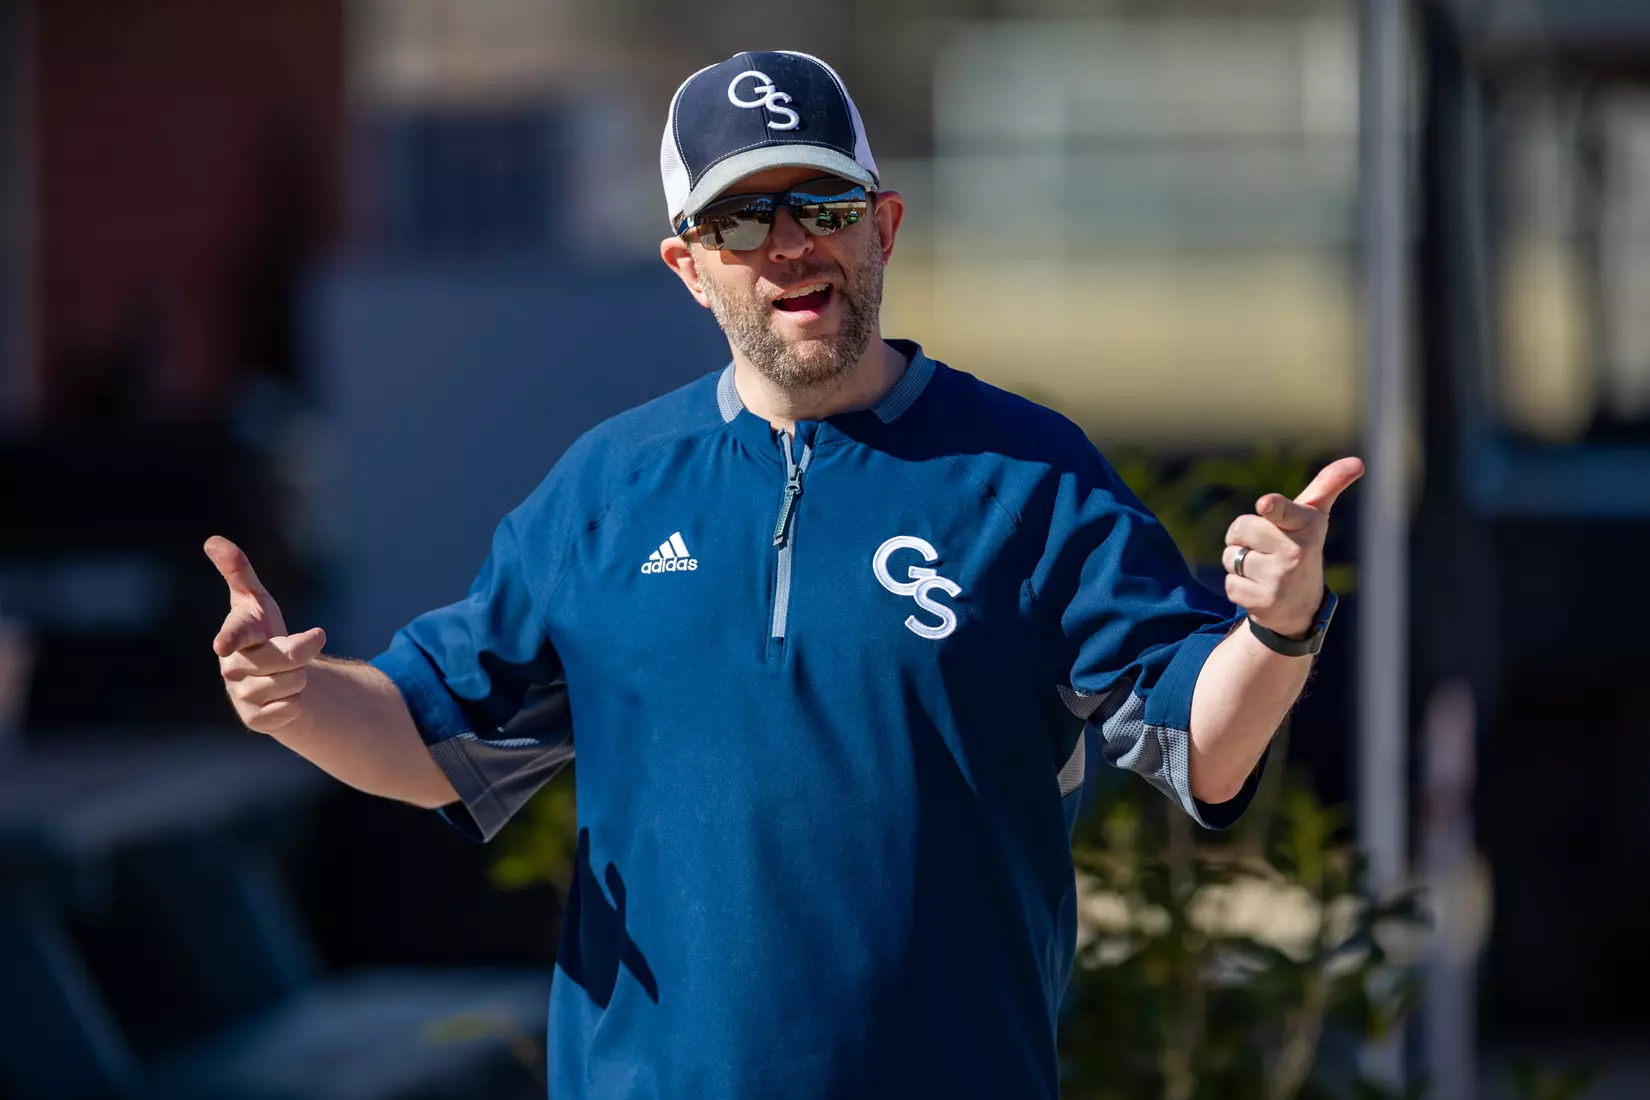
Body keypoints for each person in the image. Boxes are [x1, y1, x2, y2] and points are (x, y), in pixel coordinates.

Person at [205, 50, 1360, 1100]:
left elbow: (1197, 740)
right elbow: (426, 741)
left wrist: (1280, 628)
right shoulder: (607, 490)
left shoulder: (1028, 475)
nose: (791, 245)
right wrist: (292, 699)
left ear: (884, 227)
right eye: (742, 220)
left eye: (823, 205)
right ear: (688, 266)